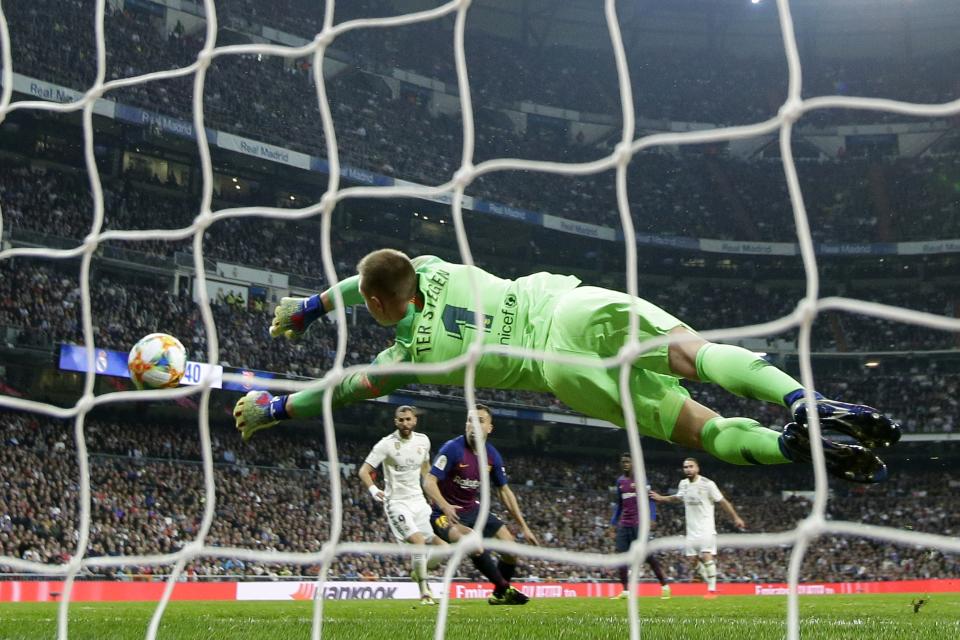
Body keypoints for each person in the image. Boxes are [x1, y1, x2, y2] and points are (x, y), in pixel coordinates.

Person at [234, 249, 901, 483]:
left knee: (699, 430)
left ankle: (792, 450)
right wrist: (315, 306)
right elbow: (375, 275)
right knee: (692, 352)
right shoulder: (432, 268)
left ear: (380, 304)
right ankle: (801, 403)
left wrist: (276, 406)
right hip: (570, 305)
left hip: (561, 371)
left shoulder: (412, 357)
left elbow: (344, 389)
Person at [424, 404, 538, 605]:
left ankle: (500, 595)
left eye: (480, 421)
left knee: (511, 550)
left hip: (473, 509)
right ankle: (505, 589)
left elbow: (504, 491)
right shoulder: (452, 449)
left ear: (489, 428)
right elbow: (429, 481)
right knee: (473, 546)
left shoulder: (492, 455)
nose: (473, 425)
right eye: (470, 420)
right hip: (445, 514)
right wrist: (444, 505)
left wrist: (524, 526)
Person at [357, 405, 446, 605]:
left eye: (408, 419)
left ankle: (417, 572)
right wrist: (373, 490)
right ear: (395, 422)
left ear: (415, 421)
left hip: (419, 501)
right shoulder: (385, 444)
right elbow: (364, 470)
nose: (405, 423)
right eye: (401, 420)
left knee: (444, 546)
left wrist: (433, 493)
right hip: (397, 503)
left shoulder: (423, 441)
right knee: (418, 542)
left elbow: (425, 468)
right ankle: (424, 591)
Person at [649, 458, 746, 598]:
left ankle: (712, 591)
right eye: (685, 467)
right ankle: (709, 584)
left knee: (706, 556)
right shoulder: (683, 484)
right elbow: (677, 498)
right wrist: (661, 498)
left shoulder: (708, 484)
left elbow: (723, 501)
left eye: (691, 466)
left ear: (697, 468)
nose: (688, 469)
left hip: (706, 528)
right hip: (691, 531)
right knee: (692, 560)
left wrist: (736, 517)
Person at [610, 453, 671, 600]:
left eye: (627, 462)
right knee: (621, 557)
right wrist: (613, 523)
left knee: (648, 557)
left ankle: (665, 586)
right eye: (623, 461)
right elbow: (619, 504)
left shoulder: (641, 479)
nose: (625, 464)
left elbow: (650, 499)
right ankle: (625, 591)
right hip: (625, 524)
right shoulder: (620, 481)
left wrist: (652, 517)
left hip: (639, 524)